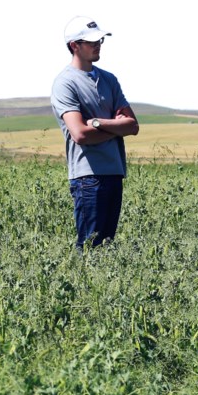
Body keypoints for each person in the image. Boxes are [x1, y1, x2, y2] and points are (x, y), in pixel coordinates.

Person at [50, 16, 140, 248]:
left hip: (114, 172)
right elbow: (80, 134)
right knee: (91, 248)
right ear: (74, 46)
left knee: (107, 246)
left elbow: (132, 125)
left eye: (100, 39)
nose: (98, 44)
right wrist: (116, 127)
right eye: (91, 41)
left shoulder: (109, 79)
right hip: (87, 177)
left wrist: (99, 123)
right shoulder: (65, 83)